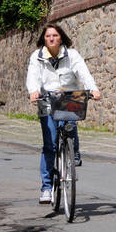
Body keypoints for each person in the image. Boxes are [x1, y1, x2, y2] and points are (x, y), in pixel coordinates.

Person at [26, 24, 100, 205]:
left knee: (70, 123)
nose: (51, 38)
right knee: (49, 145)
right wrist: (34, 91)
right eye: (48, 36)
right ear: (44, 39)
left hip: (68, 98)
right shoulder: (37, 57)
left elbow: (83, 73)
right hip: (47, 101)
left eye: (55, 35)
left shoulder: (72, 55)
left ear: (61, 38)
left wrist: (93, 89)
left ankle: (73, 151)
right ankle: (46, 187)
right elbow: (32, 76)